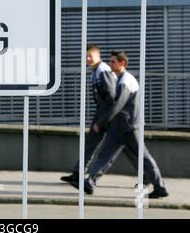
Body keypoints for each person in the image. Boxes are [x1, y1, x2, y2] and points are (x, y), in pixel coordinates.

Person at [72, 50, 168, 198]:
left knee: (143, 157)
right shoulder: (120, 79)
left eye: (113, 62)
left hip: (128, 127)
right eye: (110, 61)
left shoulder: (126, 81)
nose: (110, 64)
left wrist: (102, 122)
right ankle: (90, 182)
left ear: (122, 63)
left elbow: (118, 105)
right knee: (104, 155)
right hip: (119, 127)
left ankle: (159, 187)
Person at [61, 45, 146, 185]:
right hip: (104, 113)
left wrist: (105, 119)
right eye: (86, 56)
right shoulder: (96, 71)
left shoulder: (103, 70)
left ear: (98, 56)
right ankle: (78, 173)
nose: (88, 59)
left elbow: (112, 95)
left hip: (108, 115)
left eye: (90, 56)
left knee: (126, 148)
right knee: (93, 143)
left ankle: (145, 175)